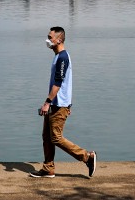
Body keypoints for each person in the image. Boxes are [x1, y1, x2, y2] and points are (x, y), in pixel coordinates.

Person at [29, 26, 97, 178]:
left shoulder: (63, 58)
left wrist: (48, 102)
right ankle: (48, 168)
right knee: (46, 136)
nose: (47, 40)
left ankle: (87, 157)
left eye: (50, 37)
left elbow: (59, 84)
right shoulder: (58, 56)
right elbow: (66, 83)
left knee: (56, 137)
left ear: (59, 39)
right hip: (56, 104)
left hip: (58, 105)